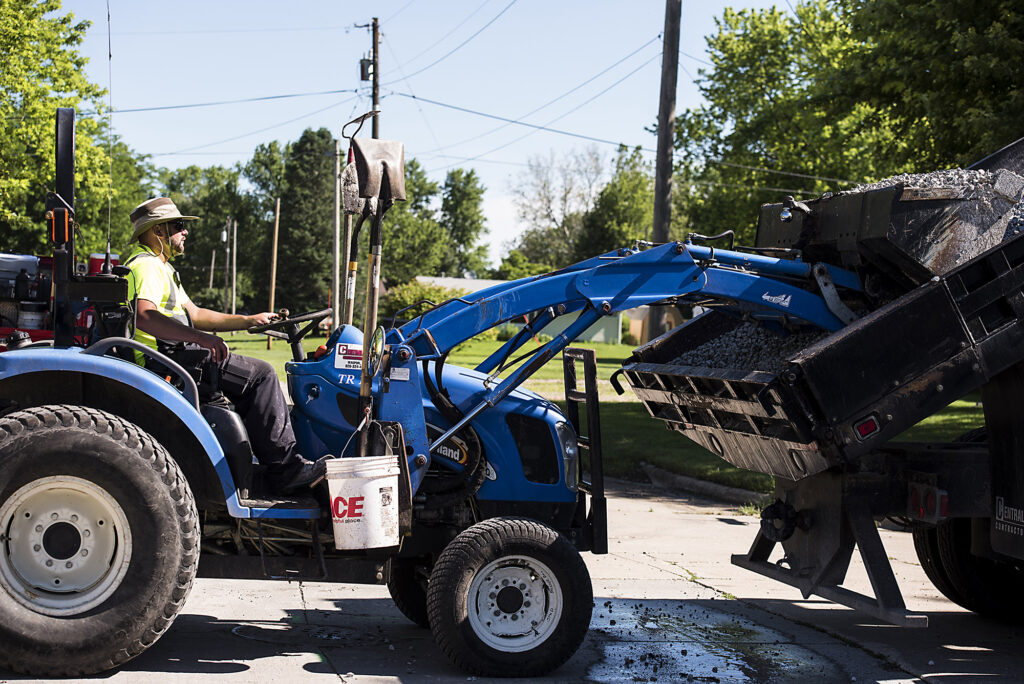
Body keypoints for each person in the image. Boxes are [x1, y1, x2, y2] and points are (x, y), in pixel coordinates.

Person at [124, 197, 325, 494]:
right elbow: (144, 317)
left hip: (177, 356)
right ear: (159, 232)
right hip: (167, 363)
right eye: (179, 226)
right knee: (261, 375)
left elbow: (196, 314)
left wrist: (248, 320)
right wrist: (201, 339)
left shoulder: (162, 268)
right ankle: (285, 470)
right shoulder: (146, 266)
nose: (185, 232)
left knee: (251, 377)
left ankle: (262, 460)